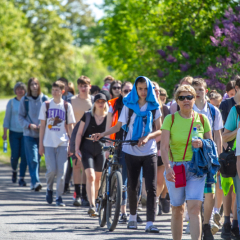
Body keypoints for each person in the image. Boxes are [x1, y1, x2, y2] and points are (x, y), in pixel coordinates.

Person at [93, 76, 162, 233]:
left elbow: (160, 129)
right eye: (140, 89)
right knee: (132, 186)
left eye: (146, 88)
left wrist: (148, 137)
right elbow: (118, 127)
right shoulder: (128, 106)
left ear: (150, 89)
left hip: (149, 151)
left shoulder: (154, 106)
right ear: (136, 90)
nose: (143, 92)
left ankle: (150, 222)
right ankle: (132, 217)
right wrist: (102, 133)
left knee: (151, 188)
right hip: (130, 150)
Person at [161, 84, 212, 240]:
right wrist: (168, 168)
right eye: (182, 98)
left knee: (195, 208)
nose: (186, 100)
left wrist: (202, 143)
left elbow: (211, 144)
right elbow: (163, 147)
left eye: (189, 97)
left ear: (194, 98)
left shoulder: (202, 119)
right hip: (176, 168)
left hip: (197, 168)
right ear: (177, 101)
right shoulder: (171, 119)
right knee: (177, 208)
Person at [192, 78, 223, 239]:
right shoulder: (186, 109)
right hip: (191, 158)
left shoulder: (213, 111)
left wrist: (218, 156)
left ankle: (207, 224)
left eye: (200, 89)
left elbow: (218, 135)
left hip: (209, 157)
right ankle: (194, 221)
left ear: (206, 91)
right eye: (195, 89)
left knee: (209, 192)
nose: (198, 92)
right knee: (193, 193)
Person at [39, 81, 75, 206]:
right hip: (48, 142)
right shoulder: (46, 105)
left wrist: (72, 144)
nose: (55, 92)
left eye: (57, 90)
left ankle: (59, 197)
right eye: (53, 89)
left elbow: (70, 126)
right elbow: (42, 126)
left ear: (62, 91)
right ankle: (49, 188)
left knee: (62, 172)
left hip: (63, 142)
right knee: (51, 170)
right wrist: (40, 145)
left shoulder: (66, 106)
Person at [75, 93, 108, 216]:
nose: (100, 103)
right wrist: (77, 148)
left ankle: (97, 202)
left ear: (106, 103)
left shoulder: (108, 117)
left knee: (98, 178)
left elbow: (110, 135)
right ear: (94, 102)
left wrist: (108, 149)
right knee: (90, 176)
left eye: (103, 101)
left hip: (101, 149)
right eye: (98, 101)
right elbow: (79, 133)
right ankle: (92, 205)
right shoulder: (88, 115)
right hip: (87, 148)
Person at [106, 81, 134, 223]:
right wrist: (106, 141)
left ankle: (130, 210)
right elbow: (109, 123)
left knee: (132, 180)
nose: (127, 93)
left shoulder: (136, 104)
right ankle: (122, 210)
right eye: (125, 91)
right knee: (121, 177)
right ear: (120, 92)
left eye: (130, 90)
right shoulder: (114, 104)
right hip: (118, 143)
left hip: (132, 144)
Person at [18, 77, 48, 191]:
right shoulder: (25, 100)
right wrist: (29, 125)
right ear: (29, 87)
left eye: (36, 84)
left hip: (41, 134)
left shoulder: (45, 99)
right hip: (29, 134)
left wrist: (42, 126)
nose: (34, 86)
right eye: (32, 84)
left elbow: (49, 116)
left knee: (38, 159)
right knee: (33, 158)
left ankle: (33, 180)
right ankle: (36, 182)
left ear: (39, 85)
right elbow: (20, 116)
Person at [219, 76, 240, 239]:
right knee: (229, 190)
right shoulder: (231, 107)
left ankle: (233, 223)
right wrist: (238, 131)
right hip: (233, 156)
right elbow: (224, 135)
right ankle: (228, 221)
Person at [71, 75, 93, 206]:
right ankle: (77, 195)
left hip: (89, 137)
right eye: (81, 86)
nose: (83, 88)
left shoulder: (94, 101)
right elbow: (69, 120)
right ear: (78, 87)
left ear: (89, 86)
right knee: (76, 165)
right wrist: (71, 139)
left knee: (86, 166)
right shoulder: (72, 100)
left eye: (86, 85)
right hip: (75, 135)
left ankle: (85, 194)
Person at [2, 82, 27, 186]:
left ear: (25, 90)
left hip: (26, 132)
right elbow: (7, 118)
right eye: (18, 89)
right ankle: (14, 171)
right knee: (15, 156)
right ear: (15, 91)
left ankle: (21, 178)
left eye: (22, 89)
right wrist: (5, 133)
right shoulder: (11, 102)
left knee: (24, 156)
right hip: (13, 133)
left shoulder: (27, 101)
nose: (20, 91)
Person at [152, 82, 170, 215]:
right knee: (147, 180)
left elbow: (167, 131)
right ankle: (149, 200)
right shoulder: (143, 108)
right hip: (144, 149)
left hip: (161, 148)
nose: (156, 93)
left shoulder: (166, 110)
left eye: (157, 90)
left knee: (159, 180)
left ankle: (156, 201)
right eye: (153, 90)